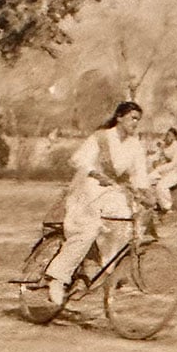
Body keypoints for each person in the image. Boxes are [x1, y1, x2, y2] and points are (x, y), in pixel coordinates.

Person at [42, 101, 153, 305]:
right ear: (119, 117)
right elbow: (78, 160)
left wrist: (146, 194)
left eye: (138, 120)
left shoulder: (135, 145)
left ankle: (98, 272)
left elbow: (140, 174)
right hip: (88, 189)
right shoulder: (101, 137)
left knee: (124, 226)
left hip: (112, 192)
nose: (135, 123)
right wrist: (96, 173)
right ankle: (57, 278)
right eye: (132, 118)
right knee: (89, 230)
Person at [148, 128, 177, 212]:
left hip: (175, 173)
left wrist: (159, 168)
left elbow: (173, 164)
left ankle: (167, 208)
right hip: (163, 172)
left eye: (169, 135)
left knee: (161, 186)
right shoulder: (164, 147)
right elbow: (155, 157)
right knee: (147, 180)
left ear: (175, 138)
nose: (167, 137)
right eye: (167, 135)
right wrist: (154, 161)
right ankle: (155, 203)